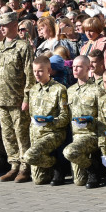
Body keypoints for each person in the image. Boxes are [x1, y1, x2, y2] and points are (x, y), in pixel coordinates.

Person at [0, 12, 36, 183]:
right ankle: (14, 165)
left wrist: (26, 98)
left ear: (15, 24)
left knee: (21, 134)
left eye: (5, 24)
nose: (1, 27)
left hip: (17, 100)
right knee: (8, 135)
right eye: (0, 25)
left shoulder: (23, 46)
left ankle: (25, 167)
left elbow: (29, 74)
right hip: (2, 99)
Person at [22, 56, 69, 185]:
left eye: (40, 71)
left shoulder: (60, 89)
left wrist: (50, 121)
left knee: (29, 156)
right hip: (37, 134)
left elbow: (65, 117)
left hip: (53, 133)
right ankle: (49, 167)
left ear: (49, 70)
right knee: (39, 180)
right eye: (35, 71)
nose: (37, 74)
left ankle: (57, 165)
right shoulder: (33, 90)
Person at [63, 56, 103, 188]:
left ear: (88, 68)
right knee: (79, 181)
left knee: (69, 152)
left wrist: (91, 120)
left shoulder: (97, 90)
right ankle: (90, 163)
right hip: (75, 135)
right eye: (73, 66)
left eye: (79, 66)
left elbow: (104, 117)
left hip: (91, 134)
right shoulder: (70, 90)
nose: (75, 69)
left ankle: (93, 168)